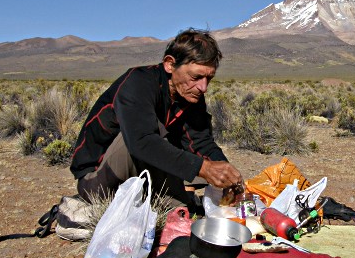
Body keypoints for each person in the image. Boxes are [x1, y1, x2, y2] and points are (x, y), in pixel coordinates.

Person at [70, 28, 243, 214]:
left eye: (209, 78)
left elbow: (200, 142)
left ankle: (169, 201)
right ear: (170, 64)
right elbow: (141, 142)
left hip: (143, 174)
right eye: (196, 77)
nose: (203, 87)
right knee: (150, 135)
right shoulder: (138, 83)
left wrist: (226, 173)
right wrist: (204, 168)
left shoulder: (190, 94)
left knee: (185, 208)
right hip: (97, 181)